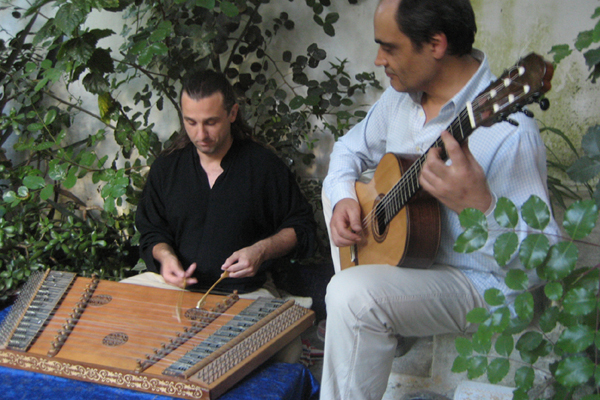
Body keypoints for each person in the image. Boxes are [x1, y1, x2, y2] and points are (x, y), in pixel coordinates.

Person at [320, 0, 560, 399]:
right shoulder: (399, 99)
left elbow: (543, 262)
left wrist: (479, 207)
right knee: (346, 258)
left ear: (436, 44)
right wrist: (345, 196)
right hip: (414, 261)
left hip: (481, 282)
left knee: (350, 295)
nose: (379, 59)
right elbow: (347, 151)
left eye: (389, 47)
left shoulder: (510, 133)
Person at [132, 69, 316, 301]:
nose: (201, 134)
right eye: (191, 122)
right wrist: (166, 257)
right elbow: (152, 230)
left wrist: (261, 250)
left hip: (244, 291)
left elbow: (302, 226)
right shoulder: (167, 168)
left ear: (232, 113)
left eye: (211, 122)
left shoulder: (263, 166)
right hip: (174, 288)